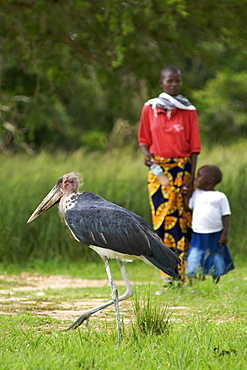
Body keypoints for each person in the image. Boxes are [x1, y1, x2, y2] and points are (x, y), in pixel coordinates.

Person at [138, 65, 201, 288]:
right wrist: (147, 157)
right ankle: (168, 276)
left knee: (183, 223)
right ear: (161, 83)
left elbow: (194, 148)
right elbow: (144, 140)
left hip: (183, 171)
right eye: (169, 81)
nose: (174, 84)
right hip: (159, 173)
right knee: (162, 222)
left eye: (177, 81)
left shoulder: (189, 110)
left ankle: (185, 276)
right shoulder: (150, 108)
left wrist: (191, 179)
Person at [184, 165, 235, 284]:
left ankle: (215, 283)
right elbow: (189, 208)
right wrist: (186, 196)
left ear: (210, 179)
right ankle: (193, 284)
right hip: (198, 233)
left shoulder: (220, 197)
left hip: (215, 234)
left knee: (216, 259)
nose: (196, 179)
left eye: (199, 176)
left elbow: (226, 216)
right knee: (195, 258)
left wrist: (225, 234)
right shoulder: (197, 194)